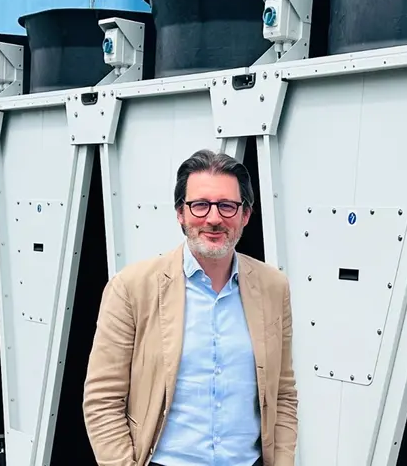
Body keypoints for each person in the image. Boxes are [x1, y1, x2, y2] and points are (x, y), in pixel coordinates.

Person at [82, 149, 298, 466]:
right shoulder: (131, 288)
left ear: (245, 215)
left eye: (227, 206)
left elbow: (283, 394)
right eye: (200, 205)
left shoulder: (273, 287)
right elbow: (103, 399)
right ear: (180, 213)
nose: (214, 218)